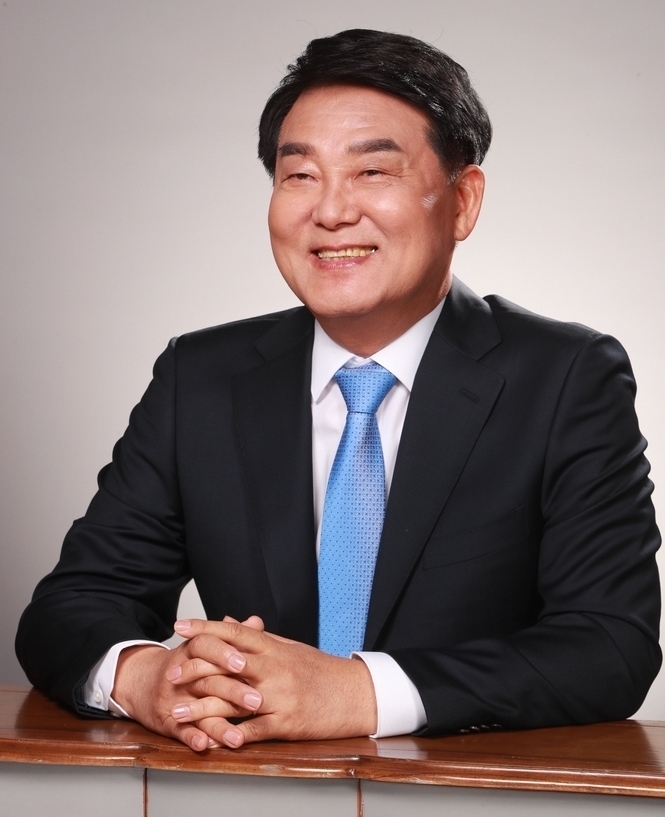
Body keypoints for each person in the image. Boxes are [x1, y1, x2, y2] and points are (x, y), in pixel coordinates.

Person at [16, 29, 661, 753]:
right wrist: (146, 676)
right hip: (245, 789)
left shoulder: (565, 377)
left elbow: (609, 644)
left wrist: (355, 691)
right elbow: (70, 607)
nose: (329, 212)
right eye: (299, 175)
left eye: (371, 172)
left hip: (466, 790)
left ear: (461, 201)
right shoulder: (201, 378)